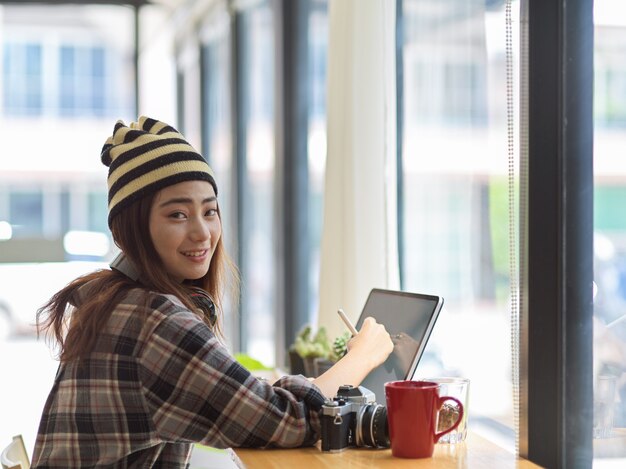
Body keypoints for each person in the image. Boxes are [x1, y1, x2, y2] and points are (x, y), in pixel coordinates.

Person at [32, 116, 394, 468]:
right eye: (177, 214)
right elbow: (285, 420)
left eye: (210, 211)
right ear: (130, 230)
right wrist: (361, 357)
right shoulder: (154, 319)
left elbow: (257, 408)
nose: (202, 233)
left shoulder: (117, 300)